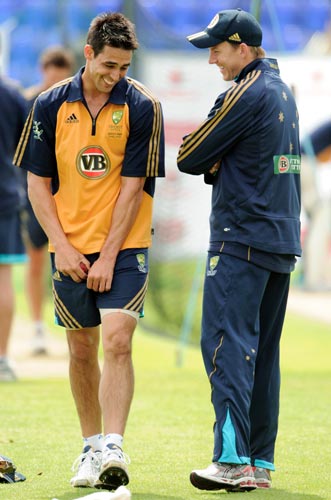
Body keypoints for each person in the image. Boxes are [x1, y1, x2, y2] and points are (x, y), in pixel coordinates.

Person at [14, 11, 164, 491]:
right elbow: (37, 184)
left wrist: (106, 256)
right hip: (70, 249)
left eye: (123, 67)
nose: (116, 75)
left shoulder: (142, 106)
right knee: (81, 348)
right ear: (88, 53)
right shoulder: (49, 106)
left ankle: (115, 448)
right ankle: (92, 447)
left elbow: (133, 187)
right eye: (108, 65)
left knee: (118, 339)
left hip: (125, 246)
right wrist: (62, 246)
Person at [177, 9, 301, 492]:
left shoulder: (243, 92)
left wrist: (215, 161)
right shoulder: (283, 90)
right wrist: (221, 160)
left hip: (240, 238)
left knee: (228, 347)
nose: (211, 59)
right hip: (278, 239)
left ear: (243, 48)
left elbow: (190, 155)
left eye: (217, 48)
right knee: (263, 355)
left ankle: (230, 461)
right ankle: (259, 464)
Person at [22, 46, 76, 355]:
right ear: (44, 72)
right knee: (36, 259)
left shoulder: (73, 104)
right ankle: (37, 327)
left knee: (68, 258)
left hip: (68, 194)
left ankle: (69, 322)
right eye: (50, 75)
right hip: (35, 193)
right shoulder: (29, 102)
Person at [0, 74, 28, 382]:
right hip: (5, 194)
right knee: (3, 276)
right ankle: (2, 358)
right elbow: (28, 147)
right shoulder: (12, 94)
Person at [300, 120, 331, 290]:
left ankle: (312, 276)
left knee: (317, 222)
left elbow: (324, 157)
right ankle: (314, 279)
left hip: (297, 164)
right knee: (321, 221)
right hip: (304, 165)